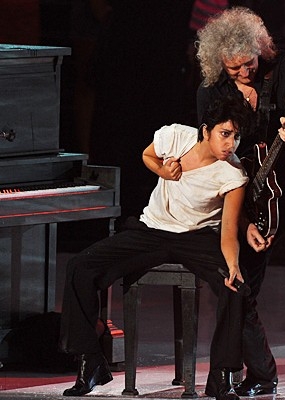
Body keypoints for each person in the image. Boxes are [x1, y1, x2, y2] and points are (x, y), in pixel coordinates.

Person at [59, 96, 253, 400]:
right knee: (80, 267)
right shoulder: (176, 136)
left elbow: (228, 230)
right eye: (225, 134)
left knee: (235, 286)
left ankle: (222, 376)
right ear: (206, 131)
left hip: (197, 237)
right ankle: (90, 362)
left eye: (237, 136)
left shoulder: (233, 173)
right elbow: (147, 155)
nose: (231, 144)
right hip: (152, 229)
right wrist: (162, 171)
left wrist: (233, 265)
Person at [195, 7, 285, 400]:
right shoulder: (212, 92)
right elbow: (215, 160)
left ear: (259, 48)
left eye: (250, 62)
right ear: (219, 62)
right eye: (235, 67)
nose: (245, 71)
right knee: (237, 287)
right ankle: (261, 373)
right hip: (252, 201)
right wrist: (242, 221)